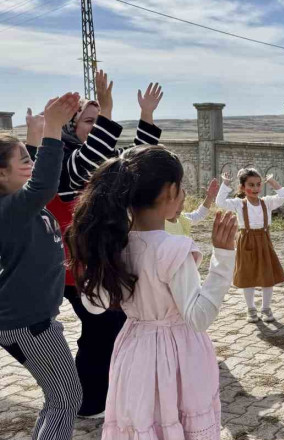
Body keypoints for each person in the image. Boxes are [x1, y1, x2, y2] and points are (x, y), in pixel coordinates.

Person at [65, 146, 238, 440]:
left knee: (142, 425)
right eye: (182, 186)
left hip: (133, 352)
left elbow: (96, 307)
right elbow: (198, 317)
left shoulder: (116, 245)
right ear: (170, 191)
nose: (184, 194)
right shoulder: (173, 249)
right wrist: (223, 259)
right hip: (179, 356)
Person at [40, 73, 165, 418]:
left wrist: (147, 116)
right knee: (101, 331)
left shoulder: (105, 164)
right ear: (71, 127)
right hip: (75, 270)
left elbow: (142, 157)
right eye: (89, 122)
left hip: (98, 265)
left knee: (109, 329)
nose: (96, 130)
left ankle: (105, 393)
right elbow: (86, 164)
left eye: (100, 123)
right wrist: (107, 109)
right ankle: (89, 401)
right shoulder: (64, 166)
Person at [0, 93, 83, 440]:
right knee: (66, 400)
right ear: (1, 174)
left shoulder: (14, 202)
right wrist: (51, 130)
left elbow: (33, 177)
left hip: (33, 321)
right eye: (21, 159)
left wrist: (34, 138)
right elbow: (43, 183)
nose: (28, 161)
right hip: (28, 325)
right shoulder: (10, 209)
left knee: (58, 400)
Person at [216, 169, 284, 323]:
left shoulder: (267, 202)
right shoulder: (239, 204)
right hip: (246, 240)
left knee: (267, 275)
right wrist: (225, 184)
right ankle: (251, 309)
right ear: (242, 187)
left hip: (264, 240)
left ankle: (266, 308)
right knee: (247, 274)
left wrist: (273, 182)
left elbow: (283, 196)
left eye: (258, 185)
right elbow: (220, 202)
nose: (255, 188)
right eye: (251, 185)